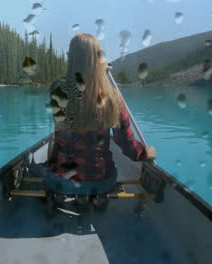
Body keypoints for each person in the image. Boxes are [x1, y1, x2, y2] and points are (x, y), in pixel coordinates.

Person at [45, 33, 156, 206]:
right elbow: (126, 144)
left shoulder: (57, 90)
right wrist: (145, 153)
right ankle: (94, 197)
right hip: (100, 181)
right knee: (105, 170)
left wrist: (96, 72)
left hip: (61, 180)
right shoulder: (113, 98)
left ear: (71, 58)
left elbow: (73, 91)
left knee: (54, 151)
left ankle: (71, 192)